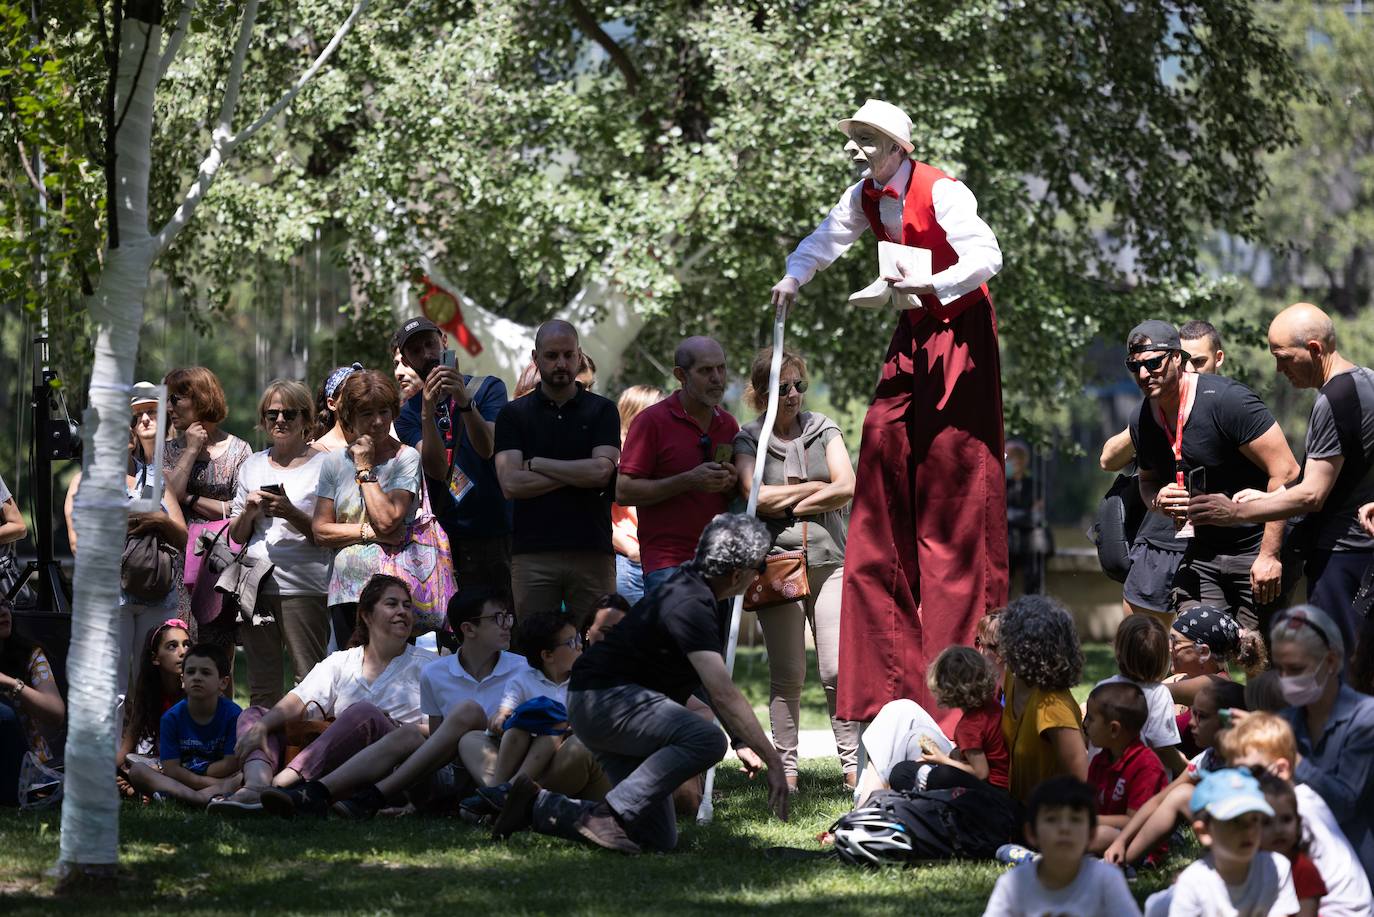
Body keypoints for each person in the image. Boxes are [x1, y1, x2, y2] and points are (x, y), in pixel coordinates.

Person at [772, 98, 1008, 734]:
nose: (857, 151)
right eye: (853, 140)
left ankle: (966, 691)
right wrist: (795, 277)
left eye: (868, 140)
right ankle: (892, 689)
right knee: (881, 442)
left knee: (957, 485)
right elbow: (825, 239)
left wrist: (933, 287)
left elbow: (988, 255)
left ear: (900, 146)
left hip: (960, 336)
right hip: (912, 335)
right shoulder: (866, 195)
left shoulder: (942, 190)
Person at [487, 514, 789, 854]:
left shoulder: (697, 588)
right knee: (706, 739)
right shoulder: (691, 601)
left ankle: (534, 807)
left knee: (656, 839)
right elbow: (722, 690)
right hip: (603, 700)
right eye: (758, 567)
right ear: (737, 575)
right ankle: (608, 813)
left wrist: (741, 739)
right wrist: (773, 760)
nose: (758, 575)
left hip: (606, 703)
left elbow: (711, 681)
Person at [1190, 303, 1374, 648]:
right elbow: (1336, 478)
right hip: (1363, 553)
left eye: (1284, 357)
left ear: (1315, 350)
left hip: (1342, 555)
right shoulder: (1367, 383)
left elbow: (1312, 496)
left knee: (1337, 664)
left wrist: (1235, 512)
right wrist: (1269, 497)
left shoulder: (1332, 401)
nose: (1278, 369)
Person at [732, 346, 858, 788]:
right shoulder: (750, 438)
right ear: (761, 392)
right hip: (776, 564)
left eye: (798, 385)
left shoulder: (823, 428)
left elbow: (846, 486)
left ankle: (851, 766)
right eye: (781, 387)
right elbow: (754, 496)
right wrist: (815, 491)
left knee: (837, 670)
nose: (792, 395)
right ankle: (786, 769)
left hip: (831, 562)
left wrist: (786, 497)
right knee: (787, 673)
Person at [208, 575, 435, 814]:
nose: (402, 611)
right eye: (392, 604)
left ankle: (286, 783)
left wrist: (392, 725)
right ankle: (256, 788)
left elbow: (440, 730)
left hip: (393, 767)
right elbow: (298, 700)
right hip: (335, 761)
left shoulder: (429, 665)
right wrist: (262, 726)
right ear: (367, 616)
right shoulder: (342, 661)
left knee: (365, 712)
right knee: (256, 716)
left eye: (407, 606)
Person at [1127, 320, 1299, 632]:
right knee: (1194, 649)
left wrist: (1270, 555)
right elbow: (1146, 479)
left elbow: (1286, 472)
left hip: (1256, 547)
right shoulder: (1141, 419)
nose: (1143, 374)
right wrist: (1156, 499)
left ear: (1177, 358)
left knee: (1256, 659)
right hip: (1201, 554)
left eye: (1153, 363)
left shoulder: (1227, 401)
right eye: (1134, 366)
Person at [493, 320, 620, 625]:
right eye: (551, 356)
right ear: (536, 359)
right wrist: (579, 471)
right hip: (532, 554)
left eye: (568, 354)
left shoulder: (603, 410)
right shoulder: (513, 415)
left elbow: (602, 473)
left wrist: (537, 463)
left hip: (593, 550)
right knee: (536, 649)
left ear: (579, 356)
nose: (561, 363)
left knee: (600, 643)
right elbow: (510, 483)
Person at [1102, 320, 1227, 623]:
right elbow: (1107, 459)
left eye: (1199, 362)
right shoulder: (1152, 410)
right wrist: (1156, 417)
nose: (1190, 370)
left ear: (1219, 359)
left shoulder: (1228, 404)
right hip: (1158, 541)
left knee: (1201, 648)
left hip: (1213, 544)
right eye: (1185, 361)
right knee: (1142, 647)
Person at [228, 381, 331, 708]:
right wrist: (250, 512)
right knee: (262, 687)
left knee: (310, 683)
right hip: (256, 585)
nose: (280, 420)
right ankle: (260, 758)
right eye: (272, 414)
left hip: (305, 586)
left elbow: (328, 533)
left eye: (290, 413)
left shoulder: (326, 465)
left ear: (306, 419)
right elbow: (237, 535)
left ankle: (305, 758)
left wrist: (290, 512)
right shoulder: (252, 465)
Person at [393, 316, 512, 589]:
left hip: (496, 531)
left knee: (503, 622)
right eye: (415, 351)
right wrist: (426, 412)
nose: (427, 354)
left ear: (444, 342)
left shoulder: (489, 388)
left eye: (430, 344)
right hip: (446, 537)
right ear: (407, 361)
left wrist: (464, 401)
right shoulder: (407, 414)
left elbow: (488, 448)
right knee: (455, 626)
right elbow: (436, 469)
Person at [616, 337, 739, 598]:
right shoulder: (651, 422)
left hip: (718, 562)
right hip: (668, 565)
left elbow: (729, 497)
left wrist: (731, 484)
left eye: (721, 368)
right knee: (672, 641)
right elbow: (624, 491)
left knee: (713, 641)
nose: (717, 378)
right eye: (706, 371)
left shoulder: (728, 424)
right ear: (680, 375)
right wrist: (688, 480)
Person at [1222, 713, 1373, 917]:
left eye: (1251, 773)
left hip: (1338, 910)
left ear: (1282, 770)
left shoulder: (1294, 808)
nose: (1242, 784)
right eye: (1237, 775)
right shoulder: (1294, 799)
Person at [311, 370, 421, 646]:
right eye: (366, 413)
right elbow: (320, 531)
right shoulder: (334, 462)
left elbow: (388, 520)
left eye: (384, 411)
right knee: (352, 673)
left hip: (395, 592)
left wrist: (364, 468)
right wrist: (370, 534)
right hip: (346, 590)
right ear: (349, 416)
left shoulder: (405, 458)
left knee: (395, 673)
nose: (378, 422)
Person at [162, 366, 252, 688]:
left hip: (220, 570)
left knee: (218, 660)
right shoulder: (169, 451)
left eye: (176, 398)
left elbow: (241, 511)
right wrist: (188, 450)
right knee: (178, 659)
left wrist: (189, 499)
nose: (168, 408)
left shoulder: (240, 451)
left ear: (200, 399)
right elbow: (166, 497)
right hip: (177, 567)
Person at [1270, 604, 1374, 879]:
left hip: (1357, 864)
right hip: (1296, 860)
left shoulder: (1365, 718)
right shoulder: (1286, 720)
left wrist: (1289, 757)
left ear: (1330, 661)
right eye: (1279, 669)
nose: (1285, 679)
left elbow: (1344, 805)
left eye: (1295, 669)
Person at [1104, 679, 1248, 868]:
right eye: (1192, 713)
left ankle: (1120, 864)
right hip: (1225, 833)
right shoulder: (1208, 759)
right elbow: (1158, 800)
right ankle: (1119, 863)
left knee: (1181, 795)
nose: (1190, 723)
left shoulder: (1252, 757)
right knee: (1178, 794)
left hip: (1252, 835)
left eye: (1201, 716)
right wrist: (1121, 841)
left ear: (1229, 721)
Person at [1142, 768, 1299, 917]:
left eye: (1255, 819)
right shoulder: (1193, 883)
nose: (1248, 830)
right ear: (1204, 832)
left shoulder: (1276, 867)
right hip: (1166, 907)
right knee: (1158, 908)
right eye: (1235, 822)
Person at [982, 776, 1140, 917]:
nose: (1064, 828)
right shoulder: (1013, 884)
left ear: (1091, 834)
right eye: (1052, 819)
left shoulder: (1106, 880)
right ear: (1031, 833)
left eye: (1075, 820)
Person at [125, 643, 242, 807]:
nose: (197, 677)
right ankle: (205, 798)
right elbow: (172, 769)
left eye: (206, 672)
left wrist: (198, 774)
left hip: (215, 777)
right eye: (191, 672)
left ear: (223, 682)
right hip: (185, 780)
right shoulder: (171, 718)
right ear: (183, 680)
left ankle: (185, 797)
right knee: (137, 771)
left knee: (243, 773)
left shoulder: (234, 715)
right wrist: (209, 783)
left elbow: (230, 764)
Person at [999, 595, 1088, 803]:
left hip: (1044, 821)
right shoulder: (1013, 679)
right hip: (1011, 807)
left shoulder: (1052, 705)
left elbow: (1081, 780)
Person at [890, 646, 1007, 794]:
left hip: (993, 793)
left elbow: (981, 773)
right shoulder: (993, 705)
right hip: (1004, 787)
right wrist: (954, 755)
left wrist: (943, 760)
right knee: (908, 770)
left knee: (903, 773)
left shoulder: (969, 727)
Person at [487, 612, 582, 787]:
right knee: (472, 739)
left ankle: (504, 791)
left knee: (557, 728)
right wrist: (499, 718)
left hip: (562, 760)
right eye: (571, 642)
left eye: (578, 638)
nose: (580, 646)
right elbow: (505, 710)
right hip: (523, 755)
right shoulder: (522, 681)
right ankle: (501, 790)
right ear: (547, 656)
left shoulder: (584, 681)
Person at [1093, 614, 1186, 776]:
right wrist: (1188, 770)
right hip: (1144, 785)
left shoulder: (1103, 687)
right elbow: (1163, 747)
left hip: (1103, 779)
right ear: (1164, 658)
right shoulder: (1158, 694)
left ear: (1118, 651)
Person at [1082, 681, 1169, 854]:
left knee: (1097, 835)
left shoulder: (1146, 765)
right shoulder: (1100, 760)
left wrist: (1090, 820)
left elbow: (1135, 821)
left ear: (1114, 729)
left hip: (1140, 842)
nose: (1085, 724)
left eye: (1090, 718)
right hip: (1104, 832)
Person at [0, 598, 65, 807]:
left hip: (28, 763)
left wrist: (10, 683)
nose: (3, 612)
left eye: (4, 604)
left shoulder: (29, 655)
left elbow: (55, 713)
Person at [611, 386, 664, 604]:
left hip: (658, 557)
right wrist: (630, 548)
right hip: (628, 559)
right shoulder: (615, 455)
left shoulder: (658, 451)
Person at [117, 619, 190, 770]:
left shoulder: (197, 691)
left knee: (140, 771)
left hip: (196, 762)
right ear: (155, 658)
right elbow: (127, 744)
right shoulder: (149, 692)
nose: (183, 652)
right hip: (164, 763)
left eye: (187, 644)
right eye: (172, 646)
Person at [1166, 603, 1269, 707]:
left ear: (1203, 652)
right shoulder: (1182, 678)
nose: (1169, 648)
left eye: (1175, 642)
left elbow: (1154, 693)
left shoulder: (1215, 684)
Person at [1257, 773, 1326, 917]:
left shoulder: (1303, 869)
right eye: (1267, 822)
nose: (1278, 830)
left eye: (1286, 819)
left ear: (1298, 822)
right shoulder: (1249, 866)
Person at [1005, 440, 1045, 597]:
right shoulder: (1000, 484)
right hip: (1007, 541)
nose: (1015, 461)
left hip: (1028, 543)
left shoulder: (1034, 485)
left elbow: (1036, 515)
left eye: (1019, 457)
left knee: (1033, 577)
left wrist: (1012, 516)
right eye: (1011, 457)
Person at [310, 363, 363, 454]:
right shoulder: (318, 451)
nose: (359, 403)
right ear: (331, 403)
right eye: (350, 398)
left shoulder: (376, 443)